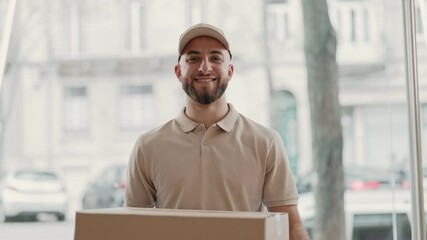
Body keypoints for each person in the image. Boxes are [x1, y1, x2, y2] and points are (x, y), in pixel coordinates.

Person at [124, 23, 309, 240]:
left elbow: (290, 227)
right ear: (178, 71)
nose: (205, 67)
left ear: (230, 71)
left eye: (216, 58)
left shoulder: (266, 143)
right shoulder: (148, 147)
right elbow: (132, 229)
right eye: (193, 59)